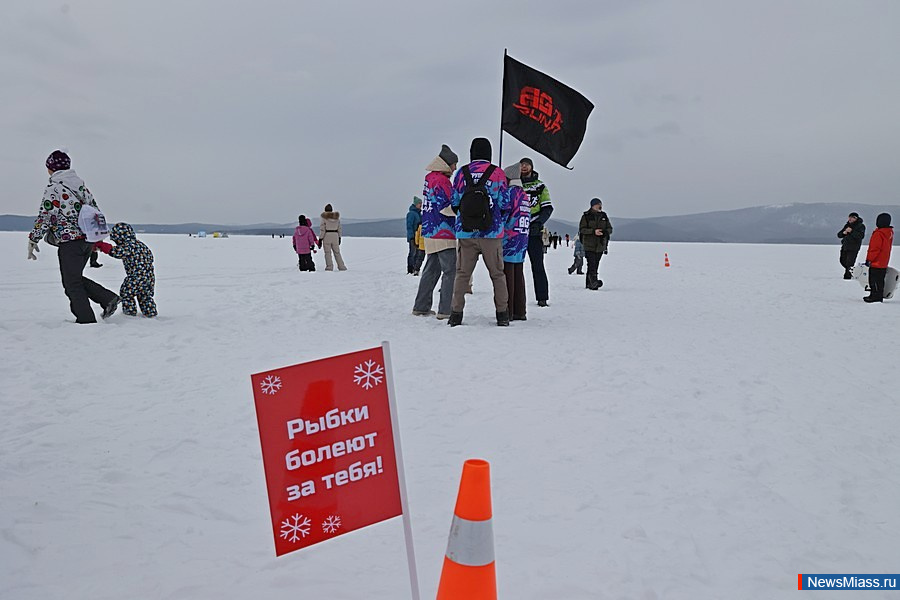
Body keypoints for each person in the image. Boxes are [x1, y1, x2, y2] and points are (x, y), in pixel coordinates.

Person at [26, 150, 119, 323]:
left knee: (72, 283)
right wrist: (96, 239)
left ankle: (86, 320)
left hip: (70, 243)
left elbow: (46, 215)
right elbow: (95, 210)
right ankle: (107, 299)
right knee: (74, 278)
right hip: (86, 241)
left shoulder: (54, 188)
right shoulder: (81, 185)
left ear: (51, 168)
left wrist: (34, 238)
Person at [448, 137, 511, 326]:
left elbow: (455, 202)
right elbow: (505, 203)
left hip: (466, 233)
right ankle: (502, 315)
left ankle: (456, 315)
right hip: (492, 234)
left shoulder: (461, 173)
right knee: (498, 275)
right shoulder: (497, 173)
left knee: (462, 275)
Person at [413, 144, 458, 319]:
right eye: (454, 164)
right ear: (446, 164)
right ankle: (445, 310)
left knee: (431, 269)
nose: (455, 168)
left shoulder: (429, 178)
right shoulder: (442, 181)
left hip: (430, 229)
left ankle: (421, 306)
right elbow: (445, 206)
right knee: (450, 271)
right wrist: (462, 212)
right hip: (444, 231)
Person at [94, 223, 157, 317]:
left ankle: (129, 314)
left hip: (136, 277)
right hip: (149, 278)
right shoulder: (140, 245)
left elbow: (118, 252)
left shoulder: (129, 246)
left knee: (126, 293)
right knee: (145, 296)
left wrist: (104, 247)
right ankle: (150, 314)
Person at [521, 157, 553, 306]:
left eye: (527, 164)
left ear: (532, 167)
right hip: (517, 232)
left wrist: (538, 222)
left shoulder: (540, 186)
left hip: (534, 232)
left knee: (538, 265)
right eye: (521, 165)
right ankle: (514, 298)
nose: (524, 167)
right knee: (514, 266)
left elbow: (547, 208)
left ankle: (542, 297)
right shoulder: (514, 184)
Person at [502, 164, 530, 321]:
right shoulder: (523, 194)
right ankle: (520, 310)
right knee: (519, 274)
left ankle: (509, 310)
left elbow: (505, 213)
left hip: (509, 238)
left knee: (508, 274)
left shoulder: (510, 193)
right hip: (522, 238)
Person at [578, 198, 613, 290]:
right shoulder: (586, 216)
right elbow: (582, 229)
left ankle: (590, 283)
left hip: (600, 245)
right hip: (589, 244)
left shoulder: (604, 216)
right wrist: (593, 231)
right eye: (598, 204)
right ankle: (593, 282)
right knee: (592, 264)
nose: (599, 206)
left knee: (595, 264)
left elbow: (610, 229)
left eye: (600, 204)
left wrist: (605, 232)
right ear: (593, 205)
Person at [863, 213, 893, 303]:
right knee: (880, 280)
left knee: (874, 279)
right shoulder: (889, 233)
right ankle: (878, 295)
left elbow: (874, 248)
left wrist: (869, 259)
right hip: (884, 261)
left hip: (876, 262)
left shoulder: (879, 233)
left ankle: (875, 296)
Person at [837, 212, 865, 279]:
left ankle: (847, 277)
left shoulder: (861, 226)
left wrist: (851, 231)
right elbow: (839, 235)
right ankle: (852, 271)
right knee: (842, 260)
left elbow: (860, 236)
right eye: (849, 217)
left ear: (855, 218)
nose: (850, 219)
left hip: (854, 247)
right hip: (845, 246)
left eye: (852, 217)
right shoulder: (847, 225)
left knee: (850, 263)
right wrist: (843, 233)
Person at [319, 203, 347, 271]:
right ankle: (341, 266)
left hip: (327, 235)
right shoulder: (337, 218)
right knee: (337, 252)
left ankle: (329, 267)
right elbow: (339, 228)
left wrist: (320, 239)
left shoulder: (324, 218)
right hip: (335, 235)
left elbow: (323, 229)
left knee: (327, 253)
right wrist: (339, 237)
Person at [406, 197, 425, 275]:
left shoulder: (419, 214)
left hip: (419, 238)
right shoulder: (411, 214)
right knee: (412, 253)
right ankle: (410, 270)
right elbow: (409, 226)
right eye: (419, 203)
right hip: (413, 237)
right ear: (416, 204)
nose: (421, 205)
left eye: (421, 203)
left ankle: (415, 269)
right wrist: (411, 237)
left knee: (418, 253)